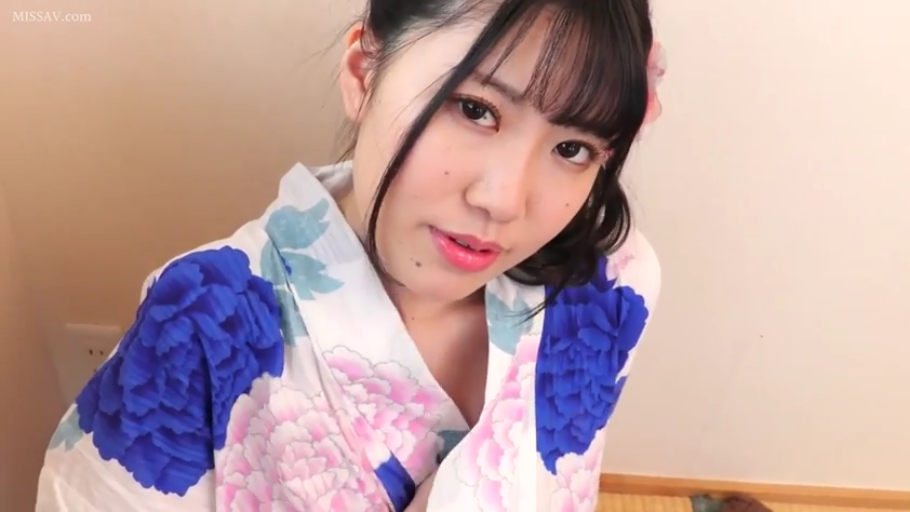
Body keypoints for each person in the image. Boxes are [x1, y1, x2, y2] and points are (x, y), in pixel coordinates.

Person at [36, 0, 666, 510]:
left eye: (573, 148)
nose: (504, 201)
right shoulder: (198, 331)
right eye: (475, 109)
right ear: (364, 74)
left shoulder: (612, 285)